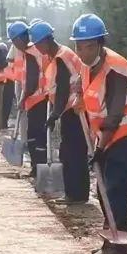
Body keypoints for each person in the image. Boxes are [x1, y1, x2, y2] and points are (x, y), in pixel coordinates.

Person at [70, 14, 127, 254]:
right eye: (79, 46)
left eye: (89, 46)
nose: (83, 52)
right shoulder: (86, 65)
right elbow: (89, 93)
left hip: (125, 133)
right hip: (105, 134)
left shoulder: (117, 68)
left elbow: (115, 114)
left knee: (115, 186)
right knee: (102, 185)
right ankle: (113, 238)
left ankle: (120, 242)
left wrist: (100, 149)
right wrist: (78, 95)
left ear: (100, 43)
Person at [37, 19, 89, 204]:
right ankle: (77, 194)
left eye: (37, 45)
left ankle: (75, 195)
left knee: (72, 154)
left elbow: (63, 90)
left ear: (45, 41)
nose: (37, 49)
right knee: (74, 153)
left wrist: (55, 114)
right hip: (73, 109)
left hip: (74, 111)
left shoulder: (61, 57)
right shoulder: (60, 54)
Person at [22, 20, 52, 175]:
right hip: (45, 97)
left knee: (35, 136)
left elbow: (32, 80)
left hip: (37, 99)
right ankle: (39, 167)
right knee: (40, 135)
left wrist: (23, 98)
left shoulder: (31, 52)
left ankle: (37, 168)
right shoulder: (43, 51)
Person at [2, 18, 30, 130]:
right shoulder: (15, 46)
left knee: (26, 111)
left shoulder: (33, 48)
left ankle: (27, 139)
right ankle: (24, 139)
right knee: (22, 109)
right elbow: (9, 58)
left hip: (28, 82)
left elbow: (9, 59)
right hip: (19, 80)